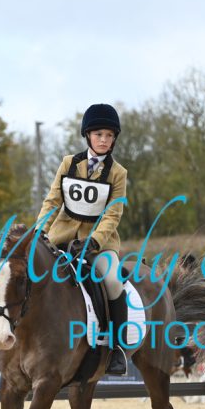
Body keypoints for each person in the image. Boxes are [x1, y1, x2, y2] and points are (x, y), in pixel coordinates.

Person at [36, 104, 129, 375]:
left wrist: (94, 242)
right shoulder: (69, 163)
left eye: (109, 135)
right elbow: (53, 200)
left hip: (99, 245)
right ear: (88, 135)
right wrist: (39, 231)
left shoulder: (118, 173)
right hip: (62, 238)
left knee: (112, 281)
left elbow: (113, 214)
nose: (104, 140)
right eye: (99, 134)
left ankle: (117, 347)